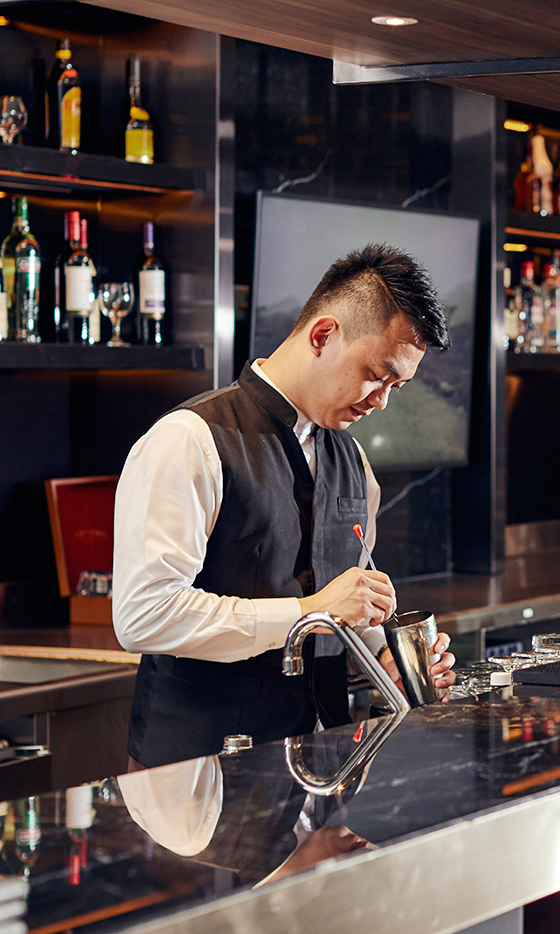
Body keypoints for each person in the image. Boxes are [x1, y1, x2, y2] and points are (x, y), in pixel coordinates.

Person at [114, 243, 456, 769]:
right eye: (376, 373)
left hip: (323, 773)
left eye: (397, 386)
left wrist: (382, 661)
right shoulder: (189, 440)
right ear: (323, 335)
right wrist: (306, 614)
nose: (381, 400)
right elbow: (143, 616)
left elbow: (345, 610)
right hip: (201, 781)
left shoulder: (354, 460)